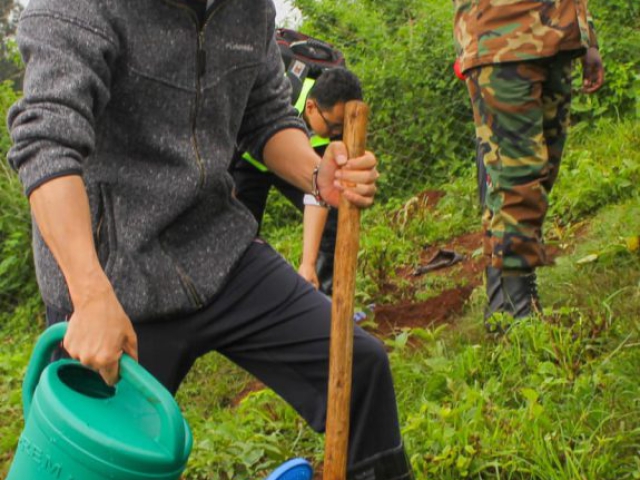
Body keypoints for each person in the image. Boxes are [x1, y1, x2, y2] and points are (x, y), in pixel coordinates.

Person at [7, 0, 414, 478]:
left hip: (217, 250)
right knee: (88, 459)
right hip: (111, 277)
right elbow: (46, 145)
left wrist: (318, 175)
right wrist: (91, 294)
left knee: (358, 369)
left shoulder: (247, 9)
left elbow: (266, 116)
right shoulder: (77, 8)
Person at [453, 0, 605, 325]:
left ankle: (503, 302)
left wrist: (587, 38)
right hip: (503, 40)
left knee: (539, 176)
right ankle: (516, 316)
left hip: (560, 39)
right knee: (517, 177)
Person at [230, 68, 364, 295]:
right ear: (310, 107)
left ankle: (324, 295)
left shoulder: (332, 126)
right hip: (249, 157)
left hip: (301, 164)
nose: (336, 132)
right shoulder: (279, 96)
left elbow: (319, 192)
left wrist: (308, 264)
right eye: (333, 126)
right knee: (238, 233)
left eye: (341, 128)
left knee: (333, 213)